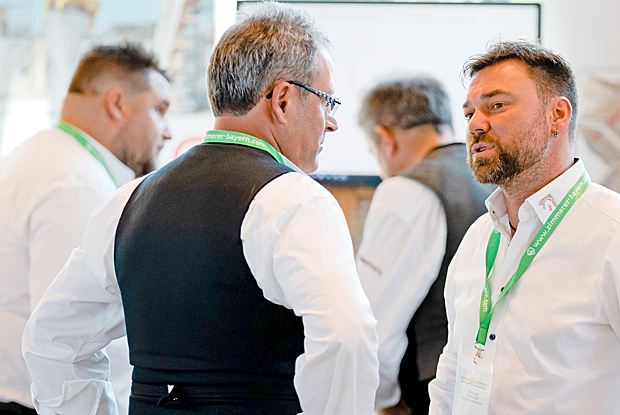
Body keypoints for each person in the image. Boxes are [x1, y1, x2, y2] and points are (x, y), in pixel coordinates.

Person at [23, 3, 379, 415]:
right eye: (326, 101)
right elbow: (346, 338)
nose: (331, 122)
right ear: (282, 100)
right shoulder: (294, 200)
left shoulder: (127, 201)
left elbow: (52, 341)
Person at [429, 40, 620, 414]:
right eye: (469, 113)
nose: (475, 125)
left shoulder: (611, 234)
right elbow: (452, 370)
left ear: (557, 115)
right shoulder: (479, 237)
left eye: (497, 106)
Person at [0, 43, 172, 415]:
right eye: (159, 110)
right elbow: (73, 334)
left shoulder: (42, 156)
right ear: (117, 103)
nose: (168, 132)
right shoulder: (76, 183)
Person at [356, 78, 493, 414]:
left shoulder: (407, 190)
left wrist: (381, 401)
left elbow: (374, 322)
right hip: (487, 378)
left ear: (385, 139)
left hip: (429, 387)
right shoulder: (493, 179)